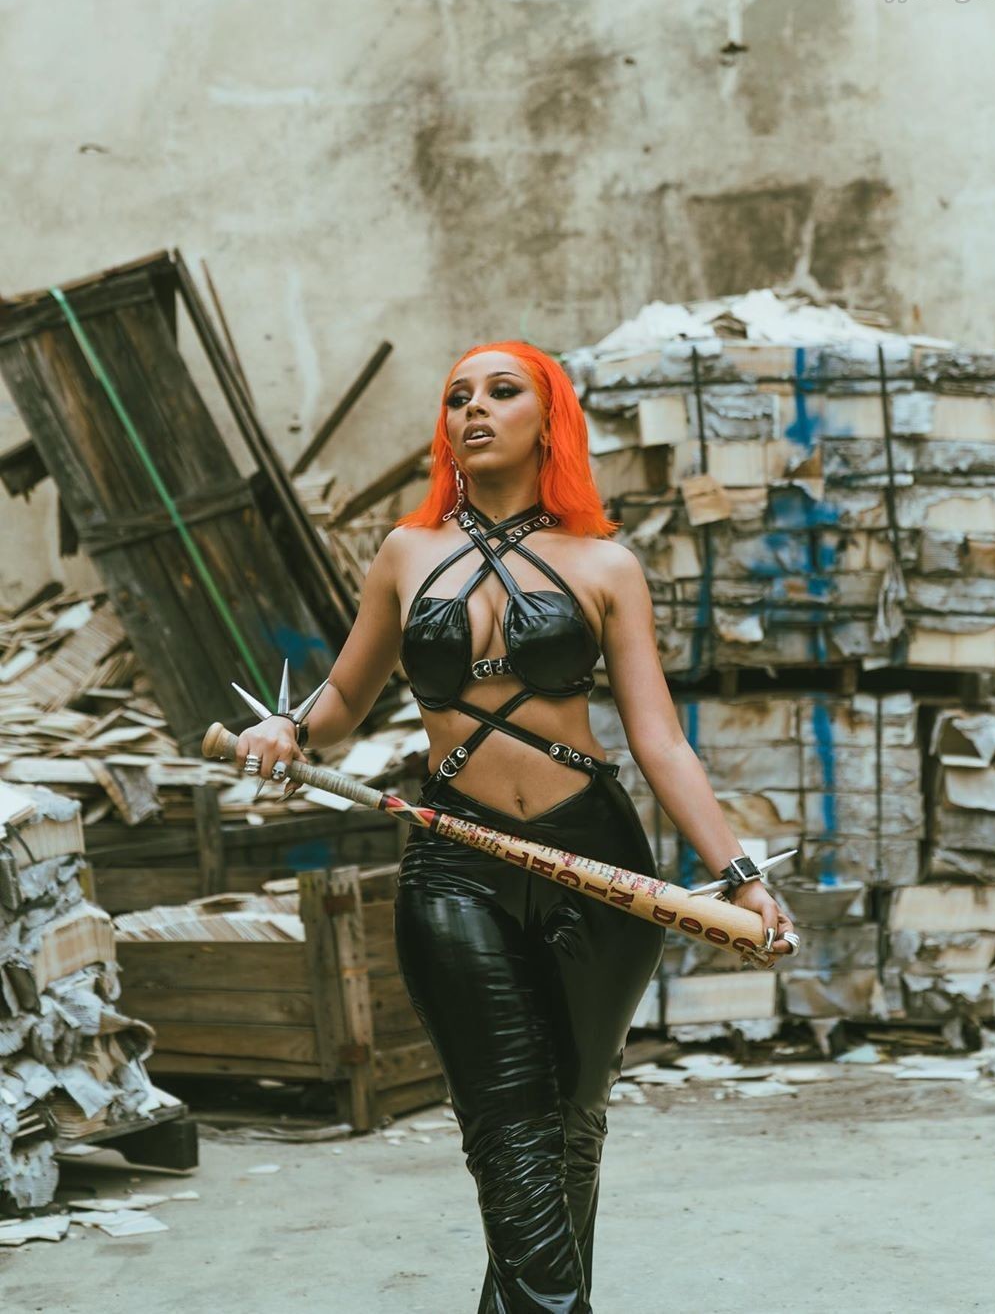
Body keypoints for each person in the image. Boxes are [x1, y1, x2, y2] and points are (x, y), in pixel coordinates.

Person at [236, 341, 794, 1313]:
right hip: (455, 862)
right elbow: (344, 699)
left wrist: (740, 873)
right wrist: (288, 729)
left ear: (549, 421)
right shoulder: (406, 553)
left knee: (571, 1123)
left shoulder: (606, 563)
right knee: (509, 1128)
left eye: (502, 392)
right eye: (458, 397)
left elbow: (660, 740)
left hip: (600, 858)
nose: (474, 410)